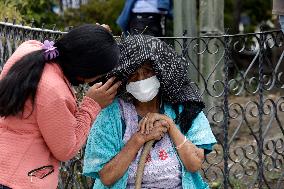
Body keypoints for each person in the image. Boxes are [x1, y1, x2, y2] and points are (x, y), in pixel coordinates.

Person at [83, 35, 217, 189]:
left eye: (148, 72)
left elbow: (194, 164)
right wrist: (139, 138)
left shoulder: (185, 109)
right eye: (134, 74)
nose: (141, 80)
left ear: (161, 72)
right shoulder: (112, 115)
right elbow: (107, 178)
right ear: (125, 79)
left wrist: (170, 125)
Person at [0, 24, 121, 189]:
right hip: (21, 181)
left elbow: (66, 47)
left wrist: (92, 38)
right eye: (97, 75)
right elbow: (66, 150)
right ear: (85, 73)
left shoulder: (29, 49)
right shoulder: (55, 91)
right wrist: (92, 105)